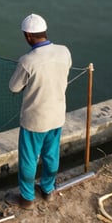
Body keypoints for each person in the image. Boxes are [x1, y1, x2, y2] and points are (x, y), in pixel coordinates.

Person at [6, 13, 72, 210]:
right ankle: (47, 190)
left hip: (35, 120)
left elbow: (14, 87)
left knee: (29, 158)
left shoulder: (28, 61)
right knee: (51, 155)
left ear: (28, 35)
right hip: (57, 116)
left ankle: (26, 198)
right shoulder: (64, 52)